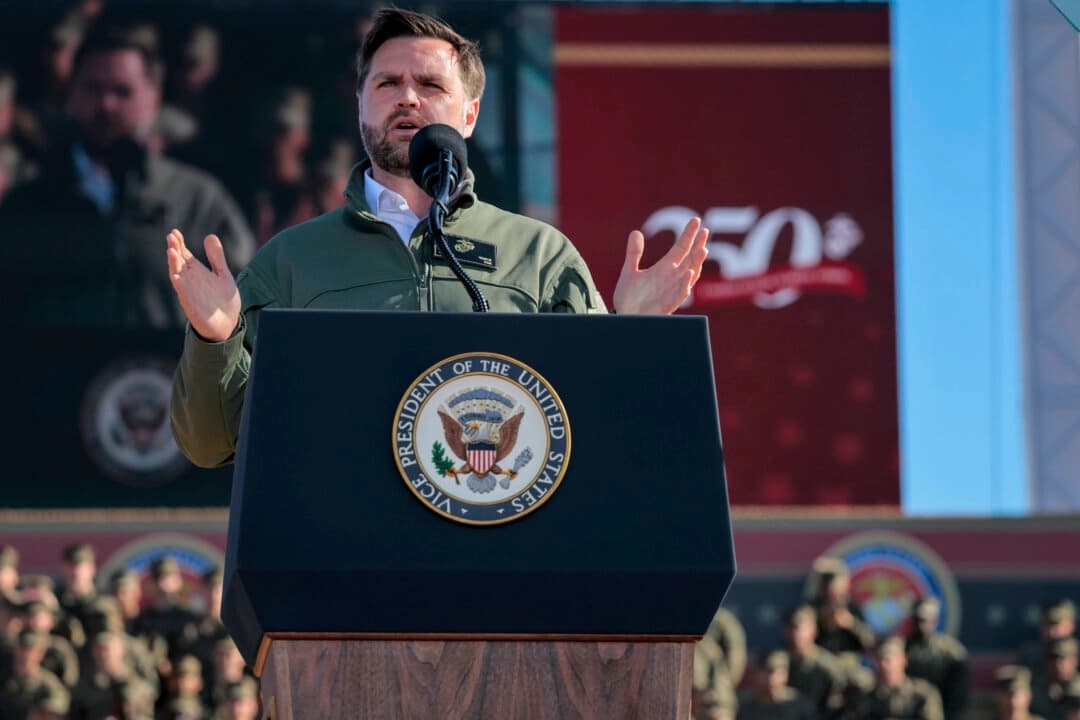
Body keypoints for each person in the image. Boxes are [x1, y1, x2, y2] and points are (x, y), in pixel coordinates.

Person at [166, 7, 710, 468]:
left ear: (469, 115)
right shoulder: (290, 260)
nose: (407, 98)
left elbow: (604, 432)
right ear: (360, 106)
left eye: (429, 85)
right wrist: (215, 339)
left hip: (502, 567)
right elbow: (210, 445)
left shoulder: (539, 255)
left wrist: (633, 336)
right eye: (387, 84)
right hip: (344, 568)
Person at [0, 19, 254, 329]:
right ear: (72, 94)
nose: (106, 104)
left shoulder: (197, 200)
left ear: (153, 99)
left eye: (122, 91)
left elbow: (245, 302)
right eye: (93, 89)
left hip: (167, 374)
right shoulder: (28, 206)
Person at [905, 597, 969, 718]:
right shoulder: (902, 648)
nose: (921, 625)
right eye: (918, 620)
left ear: (935, 621)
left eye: (926, 620)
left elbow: (959, 692)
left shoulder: (950, 651)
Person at [858, 635, 944, 720]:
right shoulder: (866, 696)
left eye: (889, 659)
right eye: (880, 659)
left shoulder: (923, 694)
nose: (884, 665)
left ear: (903, 659)